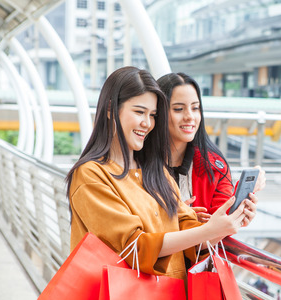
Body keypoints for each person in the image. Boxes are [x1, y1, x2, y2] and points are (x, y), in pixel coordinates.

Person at [66, 67, 257, 282]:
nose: (147, 123)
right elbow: (134, 248)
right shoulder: (91, 174)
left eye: (153, 115)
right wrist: (207, 231)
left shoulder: (155, 170)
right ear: (111, 109)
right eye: (139, 112)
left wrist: (226, 223)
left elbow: (187, 231)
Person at [157, 72, 265, 223]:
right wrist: (175, 219)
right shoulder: (136, 165)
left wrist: (240, 212)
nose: (190, 116)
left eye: (195, 108)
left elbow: (221, 221)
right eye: (178, 109)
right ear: (158, 112)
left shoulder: (214, 165)